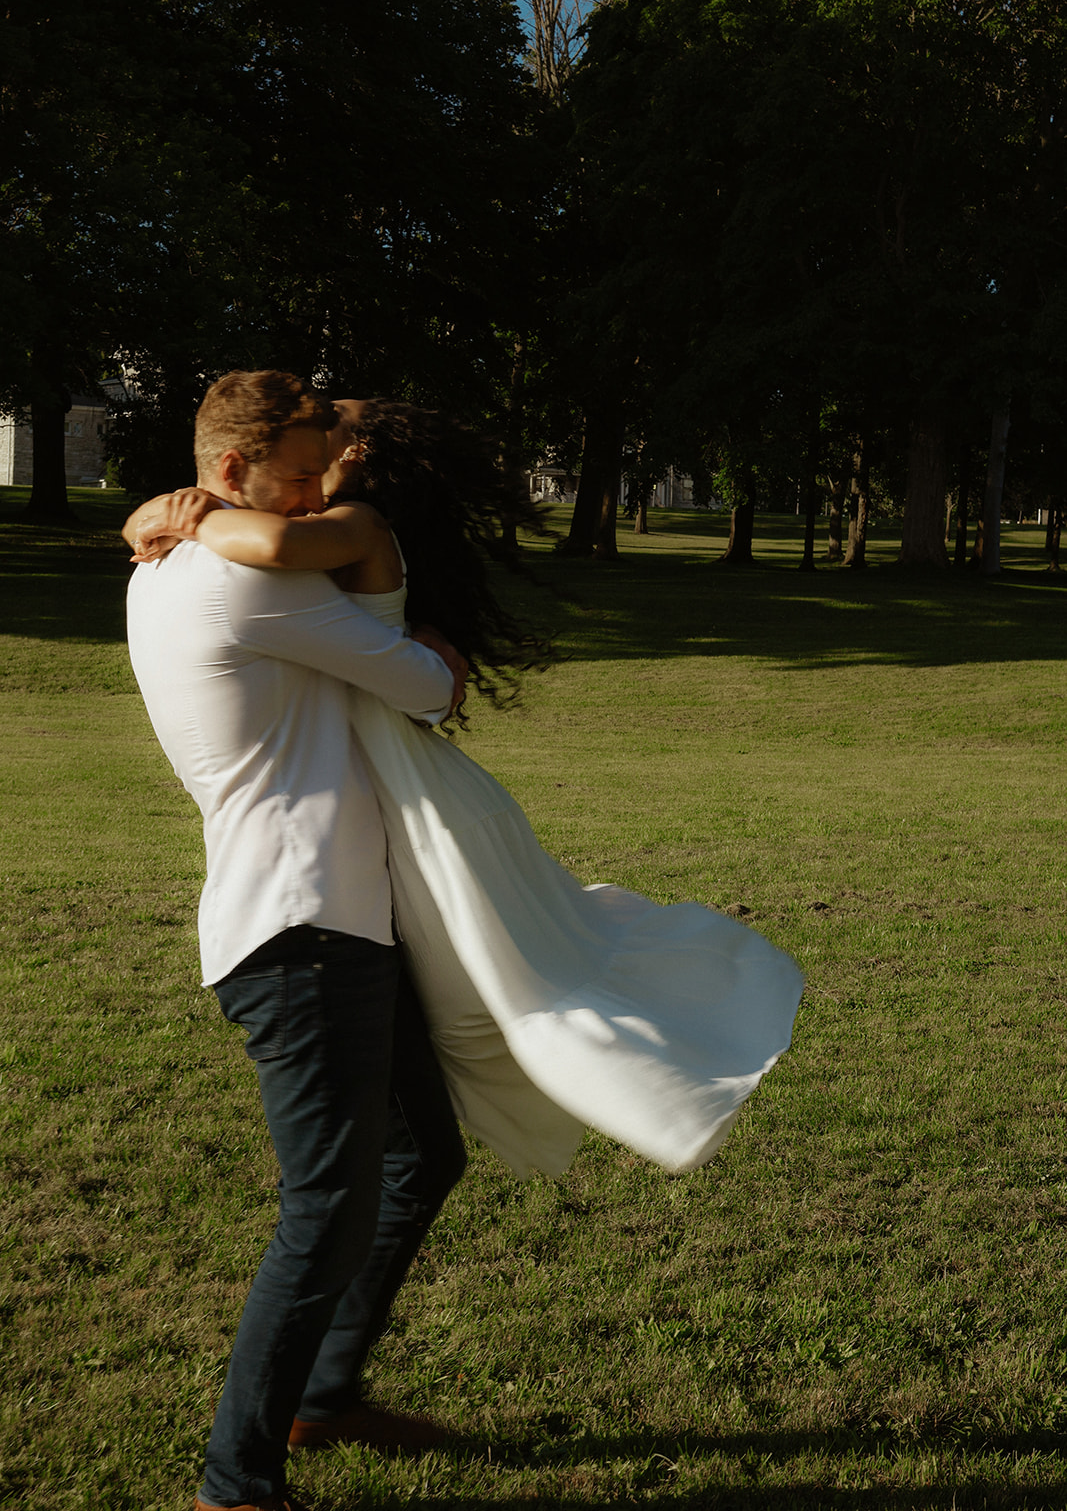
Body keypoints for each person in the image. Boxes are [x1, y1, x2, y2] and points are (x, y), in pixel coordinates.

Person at [128, 398, 804, 1187]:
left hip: (358, 789)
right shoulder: (267, 562)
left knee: (405, 1154)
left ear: (354, 461)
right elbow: (397, 666)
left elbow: (309, 573)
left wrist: (193, 513)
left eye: (325, 456)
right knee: (393, 1155)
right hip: (325, 856)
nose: (313, 481)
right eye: (302, 467)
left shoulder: (327, 531)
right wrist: (182, 510)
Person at [125, 373, 472, 1511]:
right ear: (231, 474)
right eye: (299, 469)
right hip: (299, 931)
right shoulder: (240, 580)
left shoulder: (176, 562)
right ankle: (237, 1483)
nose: (320, 490)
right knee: (326, 1207)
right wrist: (430, 649)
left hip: (330, 922)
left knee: (422, 1150)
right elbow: (425, 687)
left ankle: (324, 1395)